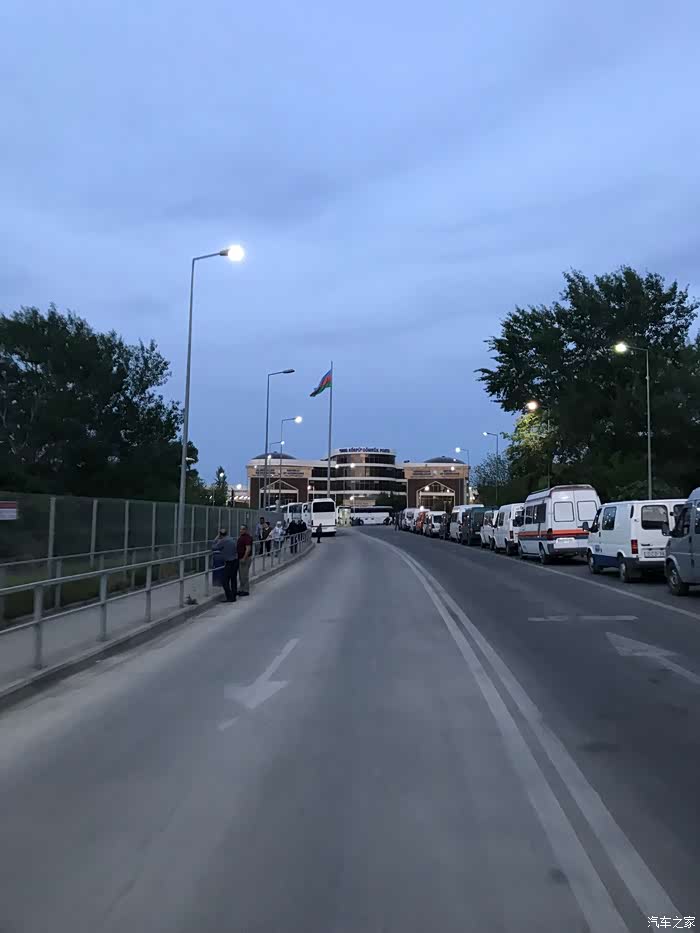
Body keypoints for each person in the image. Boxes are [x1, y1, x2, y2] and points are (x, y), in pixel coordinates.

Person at [212, 528, 238, 603]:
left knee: (225, 581)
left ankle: (229, 597)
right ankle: (234, 595)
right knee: (233, 579)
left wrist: (215, 539)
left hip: (229, 562)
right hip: (235, 561)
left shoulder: (223, 541)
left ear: (220, 535)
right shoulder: (232, 539)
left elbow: (213, 548)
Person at [237, 524, 254, 595]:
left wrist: (244, 558)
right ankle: (241, 589)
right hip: (241, 558)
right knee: (241, 575)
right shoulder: (242, 537)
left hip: (245, 559)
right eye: (240, 529)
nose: (241, 530)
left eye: (243, 529)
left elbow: (248, 549)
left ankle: (246, 590)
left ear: (246, 530)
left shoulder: (247, 538)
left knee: (244, 575)